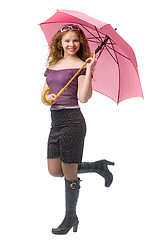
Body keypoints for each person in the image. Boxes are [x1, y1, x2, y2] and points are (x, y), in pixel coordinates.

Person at [41, 24, 114, 235]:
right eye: (67, 40)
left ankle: (70, 216)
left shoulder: (82, 66)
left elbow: (83, 98)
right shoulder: (53, 65)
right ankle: (98, 166)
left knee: (69, 174)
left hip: (73, 122)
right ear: (60, 43)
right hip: (55, 121)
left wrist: (89, 69)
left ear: (80, 42)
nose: (71, 44)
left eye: (75, 40)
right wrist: (49, 98)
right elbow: (43, 96)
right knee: (55, 170)